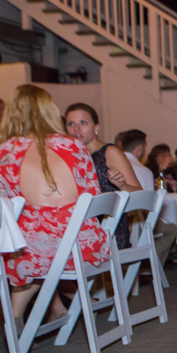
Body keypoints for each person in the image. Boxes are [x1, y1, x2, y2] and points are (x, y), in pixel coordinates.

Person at [0, 84, 110, 323]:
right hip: (82, 244)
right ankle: (45, 310)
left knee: (23, 244)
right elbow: (94, 197)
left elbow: (3, 209)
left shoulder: (0, 154)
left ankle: (14, 317)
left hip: (32, 251)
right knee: (44, 244)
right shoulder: (74, 146)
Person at [63, 103, 142, 249]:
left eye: (83, 123)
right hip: (76, 227)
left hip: (109, 230)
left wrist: (122, 185)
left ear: (96, 127)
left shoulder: (109, 152)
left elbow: (140, 195)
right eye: (71, 124)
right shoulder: (65, 157)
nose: (77, 129)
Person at [118, 130, 177, 267]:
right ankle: (153, 266)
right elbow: (149, 207)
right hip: (135, 224)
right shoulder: (144, 171)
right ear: (140, 148)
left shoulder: (109, 165)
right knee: (171, 229)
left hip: (111, 222)